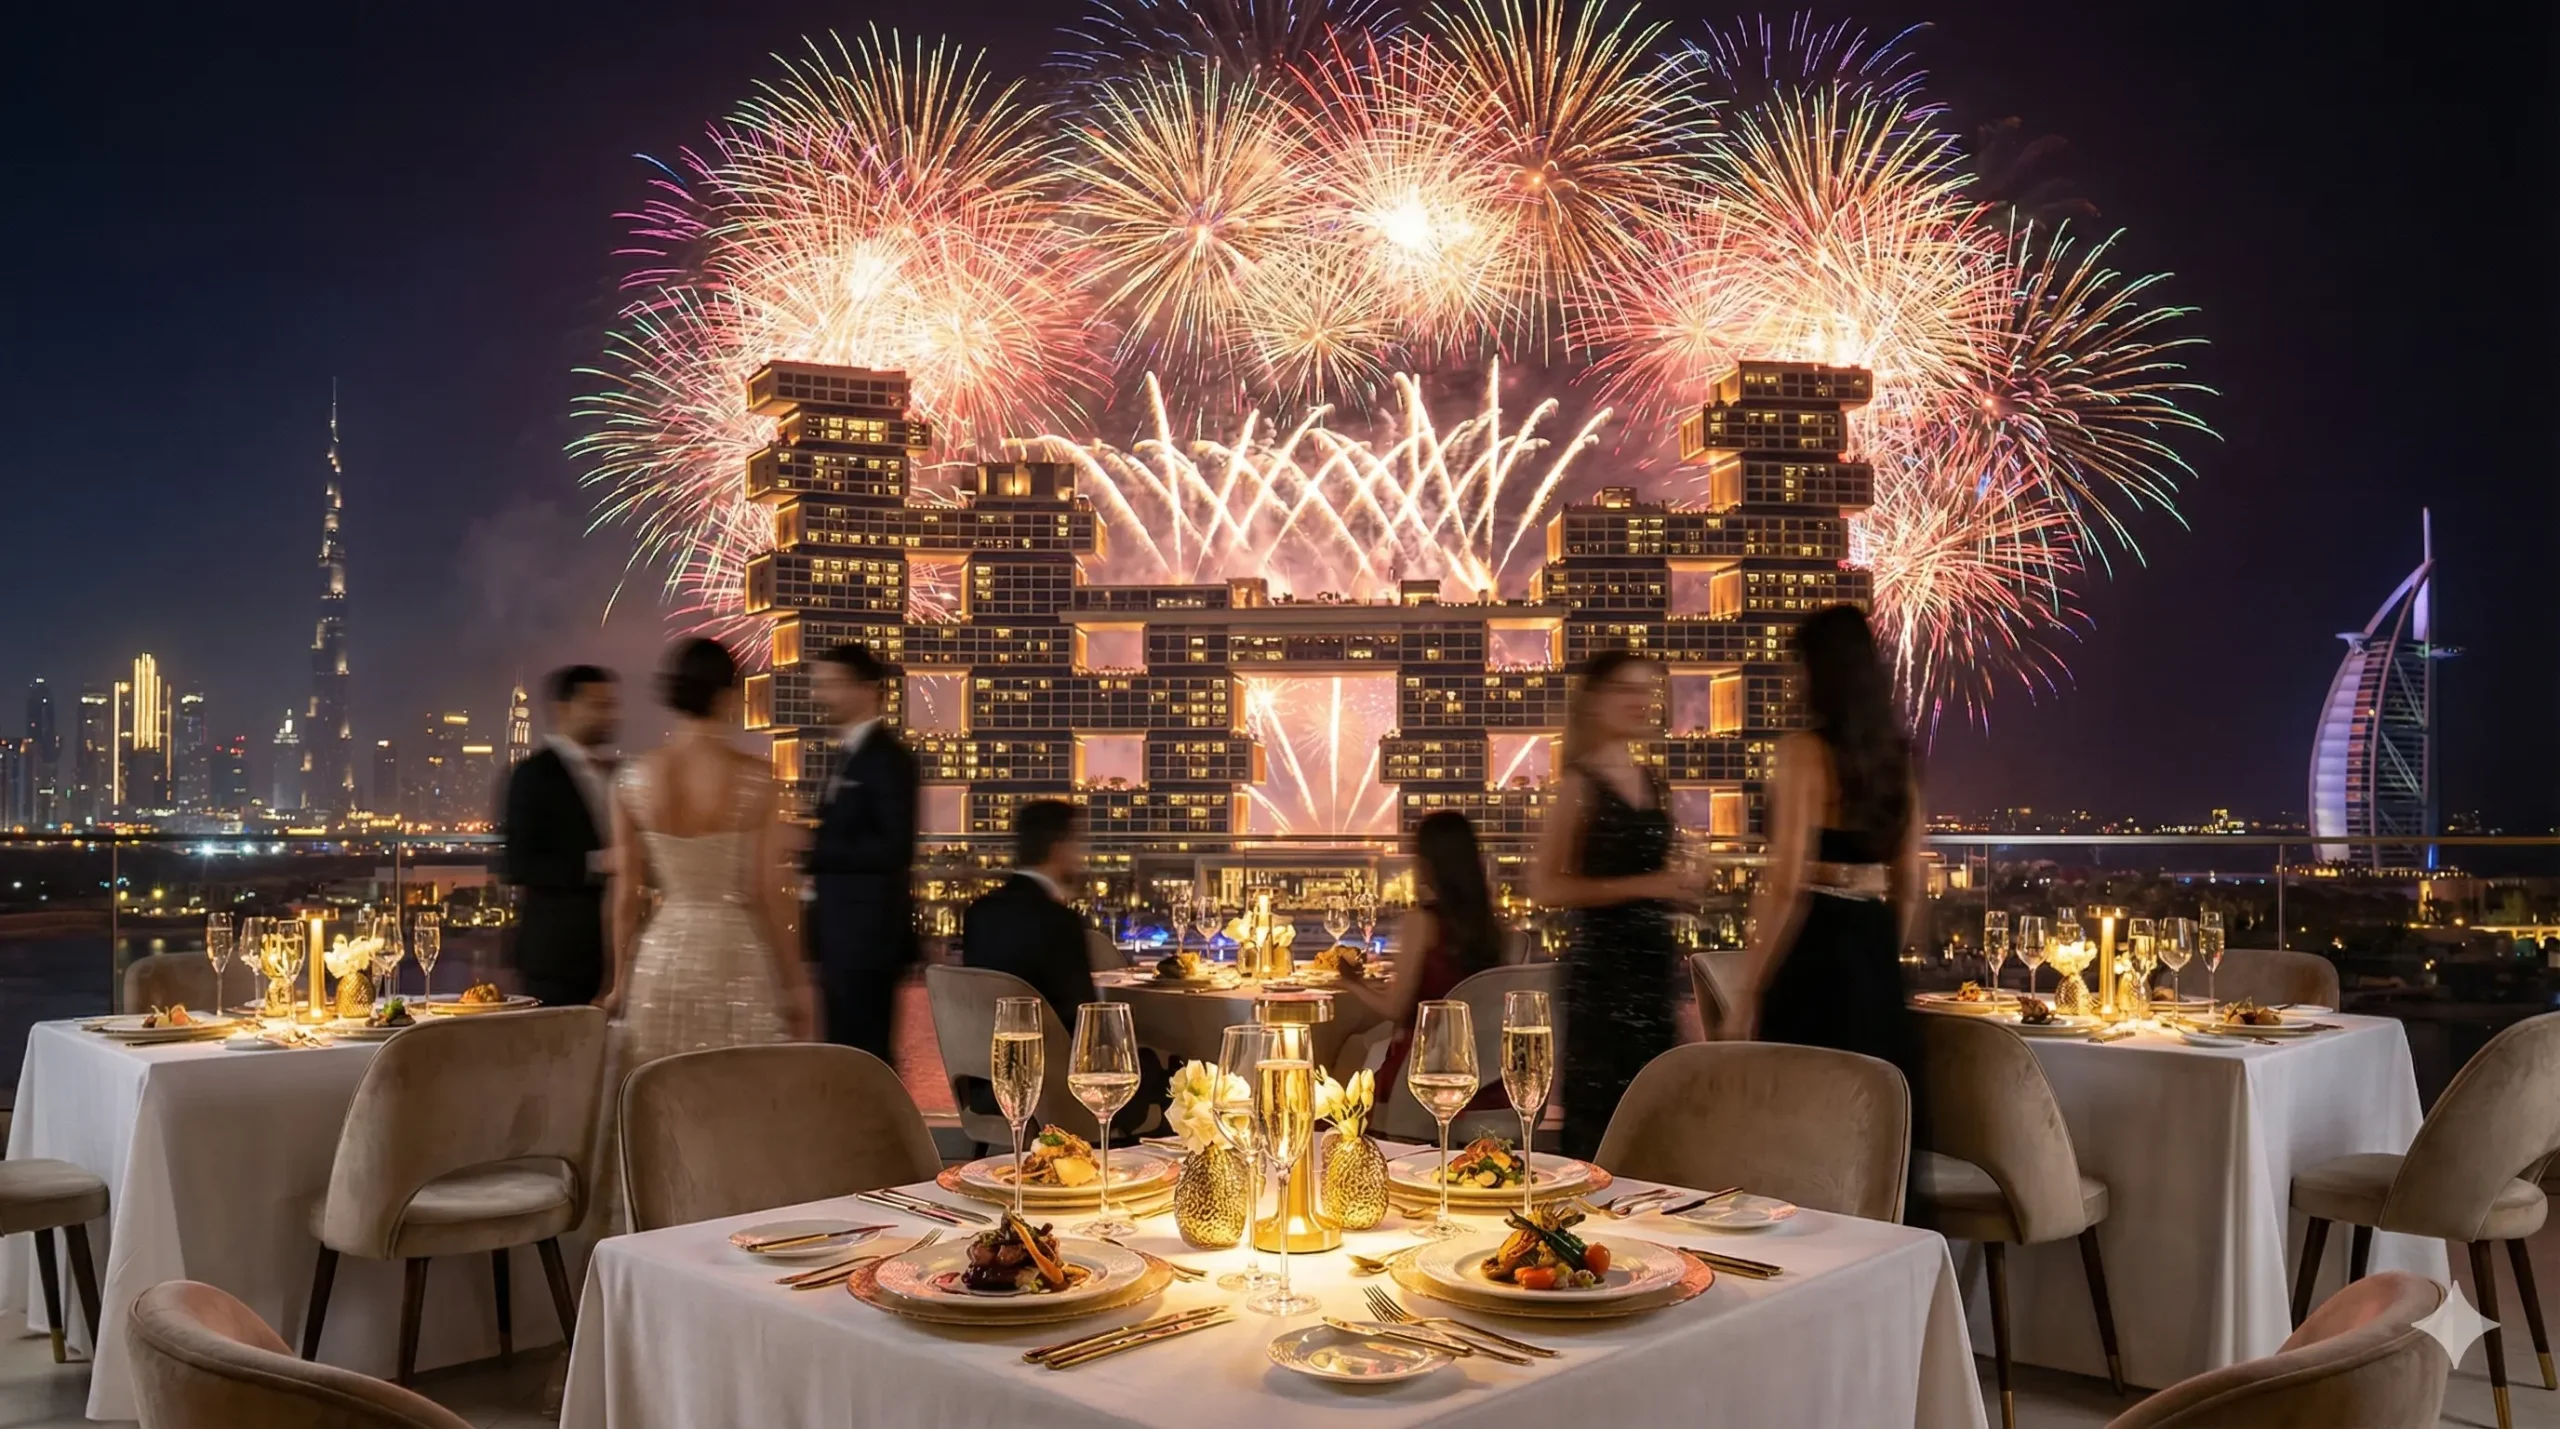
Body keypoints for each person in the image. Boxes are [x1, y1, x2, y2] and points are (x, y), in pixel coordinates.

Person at [1729, 605, 1926, 1143]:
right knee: (1872, 1128)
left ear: (1820, 671)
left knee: (1802, 1126)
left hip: (1814, 952)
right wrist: (1881, 952)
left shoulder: (1801, 753)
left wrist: (1749, 987)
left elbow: (1787, 880)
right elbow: (1908, 882)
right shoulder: (1898, 757)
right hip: (1875, 947)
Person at [601, 637, 815, 1049]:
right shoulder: (757, 778)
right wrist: (794, 982)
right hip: (736, 956)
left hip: (662, 957)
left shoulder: (631, 778)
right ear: (727, 695)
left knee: (658, 1093)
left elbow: (626, 892)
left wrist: (618, 983)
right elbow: (769, 891)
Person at [1530, 650, 1689, 1163]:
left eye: (1648, 691)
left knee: (1659, 1121)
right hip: (1603, 976)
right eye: (1627, 690)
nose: (1641, 702)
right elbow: (1547, 886)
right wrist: (1649, 885)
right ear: (1596, 701)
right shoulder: (1580, 784)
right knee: (1602, 1126)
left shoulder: (1652, 781)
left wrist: (1680, 883)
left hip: (1653, 969)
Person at [959, 801, 1166, 1134]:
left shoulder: (979, 914)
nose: (1080, 855)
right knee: (1172, 1078)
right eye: (1077, 844)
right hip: (1052, 1092)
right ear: (1060, 846)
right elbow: (1086, 1023)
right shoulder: (1058, 922)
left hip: (988, 1087)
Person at [1335, 811, 1505, 1111]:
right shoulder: (1490, 926)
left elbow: (1394, 1008)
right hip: (1486, 1079)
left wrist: (1349, 981)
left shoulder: (1422, 922)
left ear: (1427, 864)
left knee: (1341, 1081)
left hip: (1423, 1078)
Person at [805, 642, 920, 1061]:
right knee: (845, 1055)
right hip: (843, 940)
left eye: (831, 685)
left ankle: (873, 1126)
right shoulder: (849, 756)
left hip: (867, 940)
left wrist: (812, 847)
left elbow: (895, 846)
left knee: (864, 1057)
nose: (820, 695)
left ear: (866, 689)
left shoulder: (888, 759)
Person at [501, 665, 621, 1009]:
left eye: (610, 705)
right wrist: (597, 862)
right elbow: (518, 865)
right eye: (597, 705)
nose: (609, 715)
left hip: (613, 953)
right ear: (564, 709)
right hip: (556, 957)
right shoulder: (532, 775)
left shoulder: (620, 773)